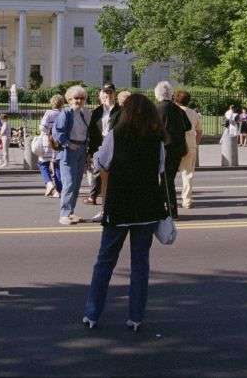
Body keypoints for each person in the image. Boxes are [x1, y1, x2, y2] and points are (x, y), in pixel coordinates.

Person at [82, 93, 169, 332]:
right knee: (140, 264)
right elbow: (159, 168)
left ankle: (92, 313)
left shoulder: (116, 136)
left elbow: (101, 163)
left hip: (120, 207)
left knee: (105, 262)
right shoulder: (156, 140)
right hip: (148, 208)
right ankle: (136, 316)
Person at [53, 85, 90, 225]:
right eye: (76, 98)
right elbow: (58, 133)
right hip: (69, 150)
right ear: (69, 99)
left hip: (81, 149)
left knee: (76, 184)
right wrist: (68, 144)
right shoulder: (66, 113)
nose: (79, 101)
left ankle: (71, 212)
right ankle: (64, 214)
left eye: (82, 98)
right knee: (68, 183)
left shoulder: (82, 114)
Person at [155, 81, 192, 219]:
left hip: (164, 148)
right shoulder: (178, 109)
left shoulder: (156, 109)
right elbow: (187, 126)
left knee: (166, 180)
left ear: (157, 94)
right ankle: (159, 207)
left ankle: (171, 210)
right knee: (167, 179)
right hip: (177, 148)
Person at [85, 84, 121, 208]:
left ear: (114, 94)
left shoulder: (119, 110)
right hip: (99, 143)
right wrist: (90, 150)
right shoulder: (97, 111)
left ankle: (111, 198)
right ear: (102, 94)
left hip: (113, 144)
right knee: (96, 170)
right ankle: (93, 196)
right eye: (106, 92)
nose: (108, 95)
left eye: (110, 92)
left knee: (112, 172)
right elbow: (92, 131)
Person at [174, 90, 202, 209]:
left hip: (175, 145)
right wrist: (195, 143)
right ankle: (187, 200)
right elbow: (199, 131)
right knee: (188, 175)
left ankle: (168, 199)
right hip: (190, 145)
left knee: (170, 175)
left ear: (175, 99)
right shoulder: (193, 113)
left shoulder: (173, 111)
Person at [39, 95, 65, 198]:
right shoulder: (63, 113)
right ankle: (59, 189)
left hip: (48, 141)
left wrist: (49, 131)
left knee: (43, 163)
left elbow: (42, 127)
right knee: (57, 165)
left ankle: (49, 184)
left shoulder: (49, 113)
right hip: (58, 142)